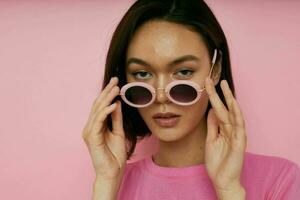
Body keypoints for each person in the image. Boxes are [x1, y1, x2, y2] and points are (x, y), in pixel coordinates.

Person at [82, 0, 300, 199]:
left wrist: (229, 190)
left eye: (184, 72)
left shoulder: (280, 179)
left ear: (215, 70)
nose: (160, 95)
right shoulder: (112, 184)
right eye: (142, 74)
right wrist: (106, 185)